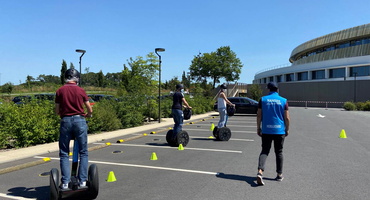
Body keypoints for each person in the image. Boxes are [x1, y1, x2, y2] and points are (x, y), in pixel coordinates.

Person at [55, 69, 93, 190]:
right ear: (77, 78)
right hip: (79, 121)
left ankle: (65, 183)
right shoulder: (81, 90)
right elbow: (89, 108)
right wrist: (88, 114)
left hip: (65, 121)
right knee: (83, 152)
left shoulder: (60, 91)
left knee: (64, 153)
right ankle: (82, 181)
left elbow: (57, 111)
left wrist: (63, 114)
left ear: (66, 77)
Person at [256, 82, 290, 186]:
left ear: (268, 89)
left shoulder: (263, 100)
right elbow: (287, 117)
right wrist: (287, 129)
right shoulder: (284, 101)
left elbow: (259, 115)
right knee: (279, 152)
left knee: (265, 151)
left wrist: (258, 128)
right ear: (277, 90)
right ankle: (279, 174)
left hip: (266, 130)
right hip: (279, 130)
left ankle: (260, 172)